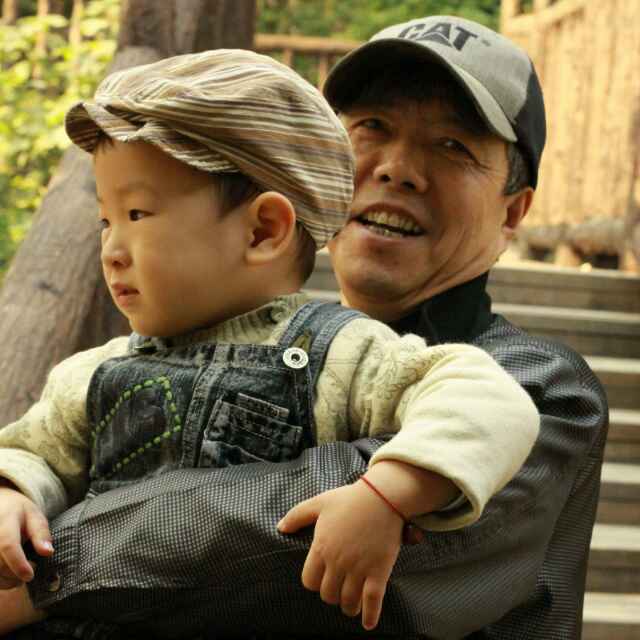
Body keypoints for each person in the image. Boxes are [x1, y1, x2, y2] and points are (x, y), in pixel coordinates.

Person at [0, 45, 542, 638]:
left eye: (138, 214)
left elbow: (490, 403)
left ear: (263, 230)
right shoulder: (91, 373)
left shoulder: (345, 354)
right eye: (106, 220)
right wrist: (12, 495)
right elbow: (33, 453)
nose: (110, 249)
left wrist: (387, 495)